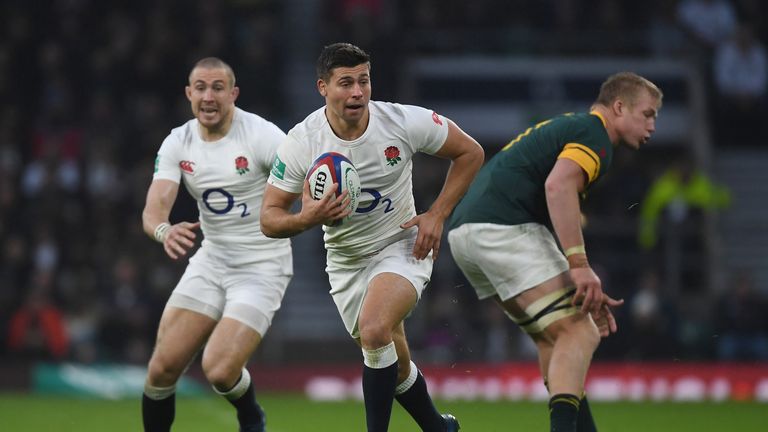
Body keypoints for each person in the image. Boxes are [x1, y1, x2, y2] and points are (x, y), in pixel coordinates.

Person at [260, 42, 484, 432]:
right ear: (322, 88)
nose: (357, 92)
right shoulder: (302, 143)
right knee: (390, 360)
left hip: (402, 245)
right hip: (346, 262)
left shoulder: (401, 122)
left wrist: (437, 213)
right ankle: (438, 427)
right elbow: (269, 219)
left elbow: (471, 152)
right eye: (345, 83)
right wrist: (308, 217)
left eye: (363, 81)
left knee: (376, 328)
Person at [447, 72, 662, 432]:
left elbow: (552, 193)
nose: (653, 125)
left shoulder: (570, 128)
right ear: (619, 107)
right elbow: (558, 185)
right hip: (501, 227)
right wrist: (578, 265)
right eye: (648, 114)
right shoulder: (595, 135)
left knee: (555, 336)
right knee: (580, 331)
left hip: (467, 232)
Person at [141, 57, 292, 432]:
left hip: (263, 264)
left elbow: (305, 179)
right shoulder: (179, 140)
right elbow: (155, 205)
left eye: (218, 88)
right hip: (212, 260)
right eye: (202, 88)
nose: (209, 97)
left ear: (233, 93)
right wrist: (164, 230)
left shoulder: (262, 135)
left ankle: (251, 415)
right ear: (189, 93)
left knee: (221, 370)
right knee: (161, 369)